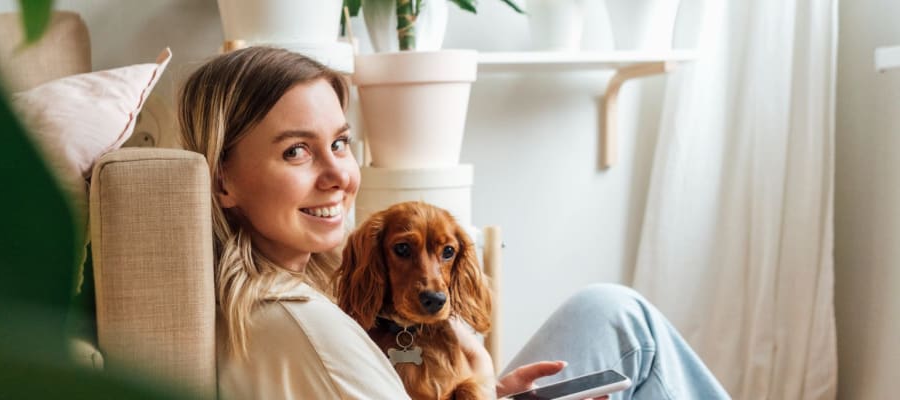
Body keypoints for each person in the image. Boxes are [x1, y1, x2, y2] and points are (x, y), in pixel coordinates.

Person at [177, 46, 731, 400]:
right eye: (296, 152)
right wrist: (485, 380)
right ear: (222, 179)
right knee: (633, 332)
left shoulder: (298, 290)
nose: (338, 176)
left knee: (609, 309)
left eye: (340, 143)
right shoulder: (302, 328)